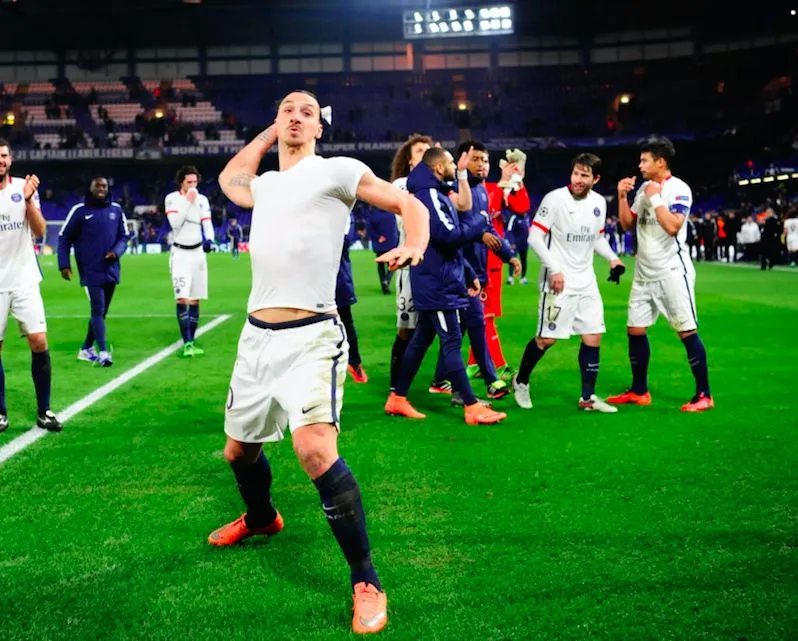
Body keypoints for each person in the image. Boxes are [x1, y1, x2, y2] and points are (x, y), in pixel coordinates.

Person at [214, 90, 429, 635]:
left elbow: (411, 205)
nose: (295, 115)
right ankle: (263, 518)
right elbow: (229, 182)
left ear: (319, 129)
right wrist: (266, 134)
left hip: (312, 334)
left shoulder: (337, 171)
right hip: (256, 337)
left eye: (307, 112)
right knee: (238, 451)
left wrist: (415, 244)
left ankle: (367, 580)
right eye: (287, 108)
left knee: (313, 448)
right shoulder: (265, 185)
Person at [385, 147, 507, 425]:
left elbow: (442, 243)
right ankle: (472, 406)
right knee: (451, 341)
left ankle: (398, 398)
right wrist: (480, 221)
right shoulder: (429, 196)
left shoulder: (432, 192)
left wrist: (466, 272)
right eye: (452, 162)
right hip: (438, 284)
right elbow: (447, 237)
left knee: (422, 340)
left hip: (438, 277)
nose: (454, 166)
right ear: (439, 167)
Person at [608, 136, 714, 412]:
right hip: (644, 273)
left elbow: (673, 226)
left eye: (645, 160)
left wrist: (655, 198)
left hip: (672, 272)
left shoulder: (679, 189)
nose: (640, 165)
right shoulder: (644, 188)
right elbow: (628, 224)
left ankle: (704, 394)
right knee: (635, 329)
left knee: (685, 330)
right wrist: (622, 196)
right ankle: (639, 391)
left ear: (661, 162)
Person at [512, 153, 623, 412]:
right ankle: (521, 380)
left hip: (586, 281)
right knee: (546, 340)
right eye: (576, 173)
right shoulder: (555, 199)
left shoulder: (598, 203)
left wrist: (613, 259)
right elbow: (535, 237)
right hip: (557, 282)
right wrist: (555, 269)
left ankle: (588, 398)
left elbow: (596, 238)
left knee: (593, 336)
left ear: (596, 179)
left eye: (585, 175)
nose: (578, 179)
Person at [0, 138, 61, 433]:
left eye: (3, 156)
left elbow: (39, 230)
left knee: (39, 341)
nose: (0, 160)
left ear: (10, 160)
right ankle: (0, 413)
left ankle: (44, 410)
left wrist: (27, 200)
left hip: (24, 279)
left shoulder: (23, 188)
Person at [452, 141, 519, 401]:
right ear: (462, 161)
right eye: (476, 159)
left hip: (476, 274)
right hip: (458, 273)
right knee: (456, 333)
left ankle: (461, 384)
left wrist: (509, 255)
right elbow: (454, 233)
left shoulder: (480, 191)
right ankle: (483, 382)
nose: (482, 165)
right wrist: (479, 235)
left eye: (485, 160)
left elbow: (488, 228)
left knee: (466, 330)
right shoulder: (456, 191)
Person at [58, 177, 129, 368]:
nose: (101, 188)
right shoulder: (79, 211)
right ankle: (104, 352)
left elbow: (124, 236)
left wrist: (116, 252)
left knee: (102, 311)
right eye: (97, 185)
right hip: (90, 270)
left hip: (111, 269)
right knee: (97, 309)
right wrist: (63, 264)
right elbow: (64, 237)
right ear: (90, 188)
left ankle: (86, 348)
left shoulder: (116, 210)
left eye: (104, 186)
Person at [165, 165, 214, 357]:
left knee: (195, 300)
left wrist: (209, 238)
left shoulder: (202, 200)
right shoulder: (172, 199)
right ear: (181, 183)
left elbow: (207, 222)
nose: (193, 185)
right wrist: (187, 202)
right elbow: (174, 223)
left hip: (198, 254)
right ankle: (186, 343)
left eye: (195, 182)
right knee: (182, 298)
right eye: (189, 182)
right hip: (180, 255)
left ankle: (191, 341)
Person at [336, 211, 367, 383]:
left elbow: (343, 242)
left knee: (346, 323)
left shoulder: (344, 213)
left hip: (338, 280)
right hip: (312, 281)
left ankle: (354, 363)